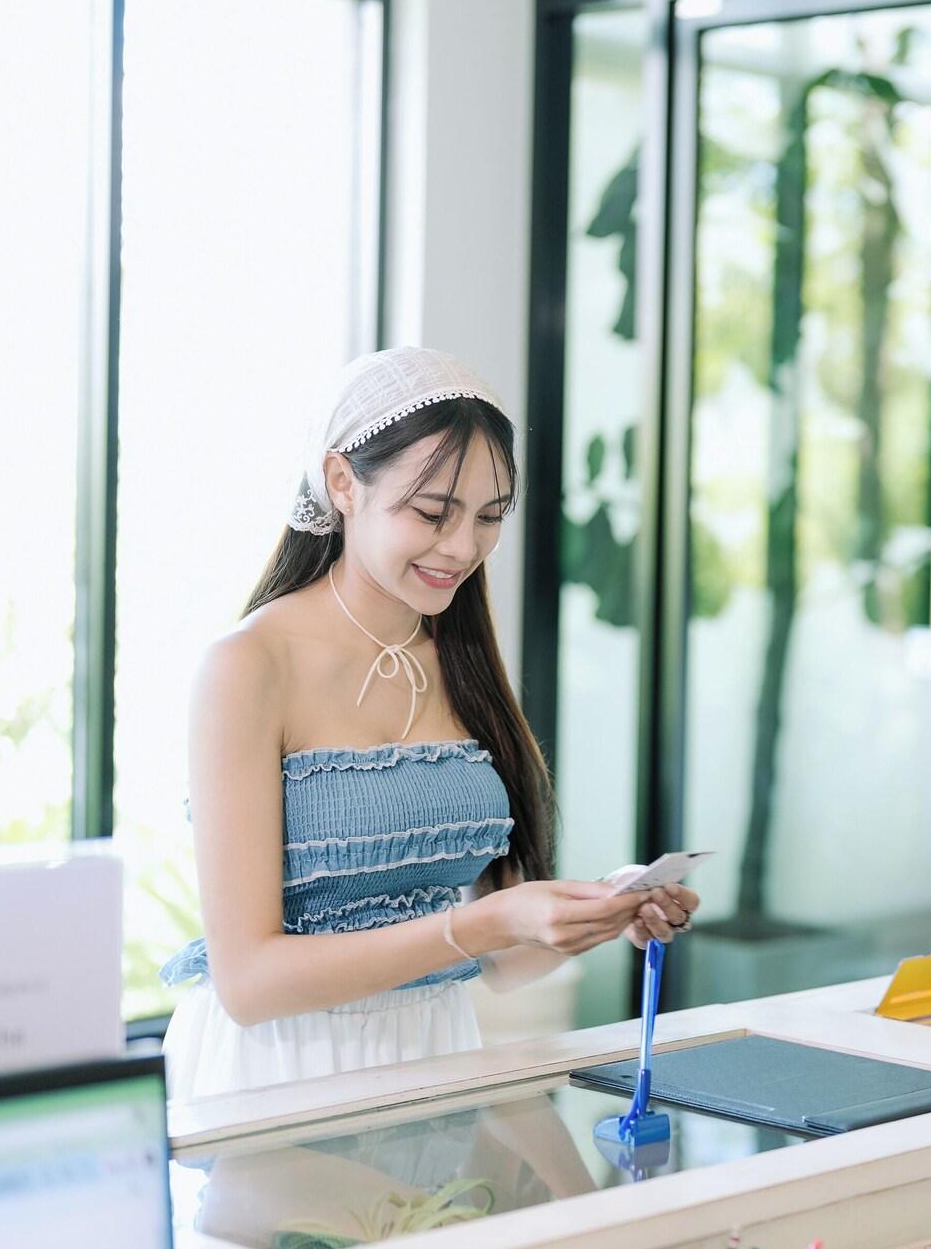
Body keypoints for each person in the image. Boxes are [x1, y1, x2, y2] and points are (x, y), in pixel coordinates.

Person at [160, 347, 697, 1099]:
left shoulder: (461, 660)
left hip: (432, 1058)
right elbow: (249, 982)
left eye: (489, 517)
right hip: (276, 1071)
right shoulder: (248, 666)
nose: (463, 547)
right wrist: (480, 925)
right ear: (342, 483)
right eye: (432, 512)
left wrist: (603, 908)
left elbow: (505, 959)